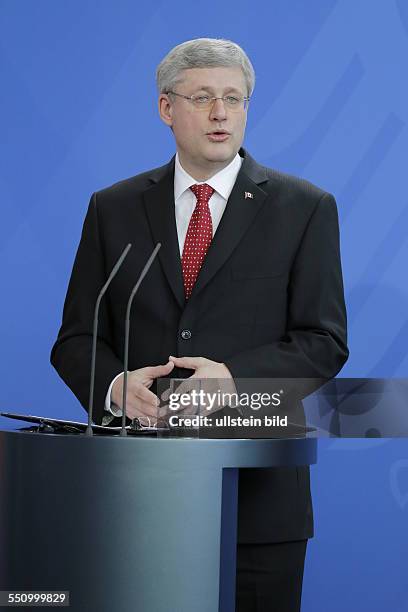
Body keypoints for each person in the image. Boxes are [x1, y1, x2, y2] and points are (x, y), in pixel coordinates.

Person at [51, 38, 348, 612]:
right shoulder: (112, 208)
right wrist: (115, 386)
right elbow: (76, 339)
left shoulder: (304, 207)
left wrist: (233, 378)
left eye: (234, 99)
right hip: (136, 491)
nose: (220, 113)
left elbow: (323, 341)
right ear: (167, 108)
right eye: (204, 97)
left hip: (257, 502)